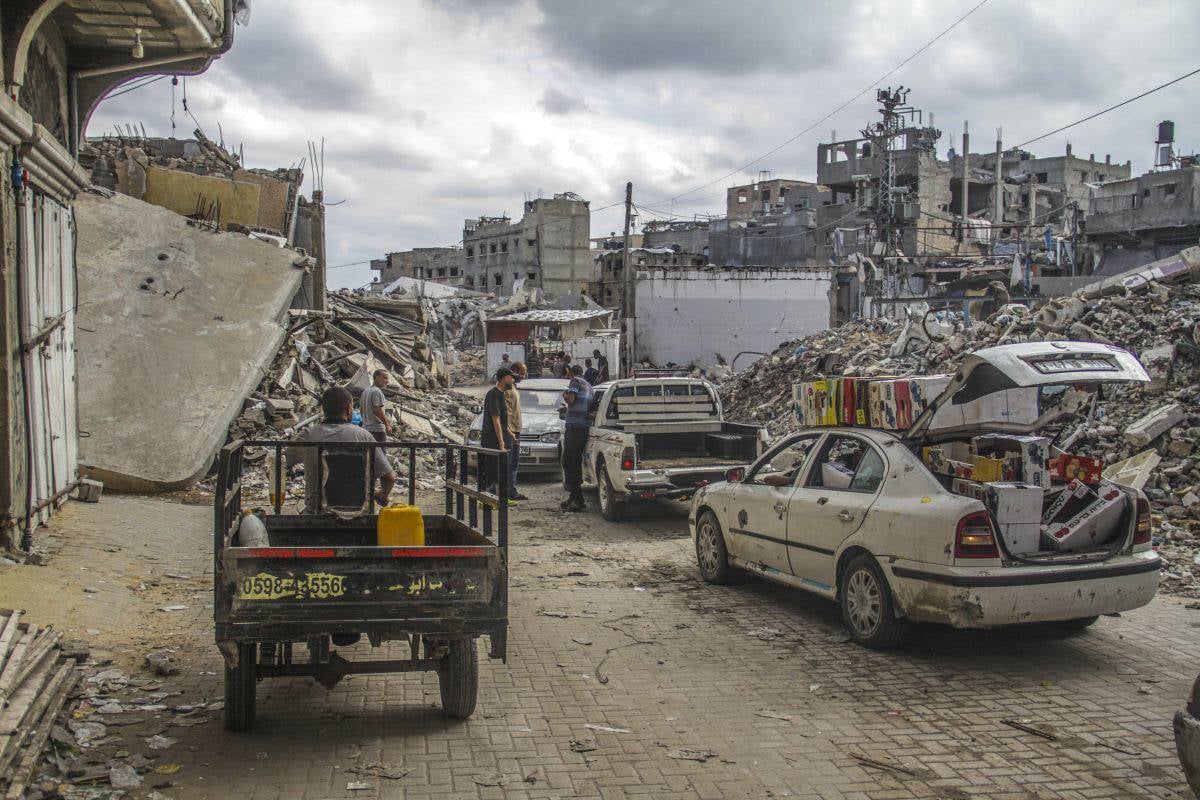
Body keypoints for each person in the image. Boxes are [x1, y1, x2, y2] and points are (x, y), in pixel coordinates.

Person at [288, 386, 396, 513]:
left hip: (317, 514)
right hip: (359, 514)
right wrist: (383, 494)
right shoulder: (363, 436)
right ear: (349, 409)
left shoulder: (308, 435)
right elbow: (389, 477)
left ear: (323, 409)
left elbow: (281, 462)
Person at [560, 364, 593, 512]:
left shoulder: (575, 382)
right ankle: (575, 497)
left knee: (568, 461)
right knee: (574, 461)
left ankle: (577, 498)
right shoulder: (589, 387)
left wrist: (565, 396)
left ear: (572, 373)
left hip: (574, 428)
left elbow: (571, 400)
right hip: (583, 428)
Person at [480, 367, 514, 497]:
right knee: (492, 471)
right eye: (511, 378)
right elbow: (496, 420)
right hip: (492, 441)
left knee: (501, 472)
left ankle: (501, 500)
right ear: (505, 378)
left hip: (500, 440)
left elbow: (503, 423)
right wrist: (501, 442)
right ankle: (487, 500)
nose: (513, 380)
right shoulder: (493, 394)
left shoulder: (500, 394)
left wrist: (511, 435)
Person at [504, 362, 529, 502]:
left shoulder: (514, 387)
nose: (524, 376)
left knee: (513, 464)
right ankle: (502, 493)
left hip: (516, 430)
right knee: (507, 464)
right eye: (522, 372)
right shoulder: (507, 389)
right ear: (514, 371)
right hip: (510, 431)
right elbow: (503, 414)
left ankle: (511, 491)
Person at [360, 369, 392, 443]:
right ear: (377, 378)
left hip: (366, 429)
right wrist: (387, 425)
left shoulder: (366, 390)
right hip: (377, 430)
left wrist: (365, 422)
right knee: (380, 453)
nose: (387, 381)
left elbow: (361, 409)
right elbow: (377, 410)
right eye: (385, 378)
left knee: (369, 453)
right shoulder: (377, 391)